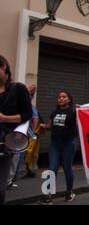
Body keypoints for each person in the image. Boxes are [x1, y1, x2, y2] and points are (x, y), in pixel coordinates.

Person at [0, 55, 32, 205]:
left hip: (5, 143)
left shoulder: (18, 88)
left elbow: (27, 115)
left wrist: (5, 118)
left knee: (0, 188)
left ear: (3, 67)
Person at [38, 91, 78, 205]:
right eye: (59, 97)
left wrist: (80, 110)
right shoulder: (54, 112)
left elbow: (82, 121)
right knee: (52, 168)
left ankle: (69, 192)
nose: (61, 99)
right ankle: (48, 196)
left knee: (67, 168)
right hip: (55, 144)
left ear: (69, 99)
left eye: (64, 97)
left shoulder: (74, 111)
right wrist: (42, 126)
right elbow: (50, 126)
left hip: (69, 144)